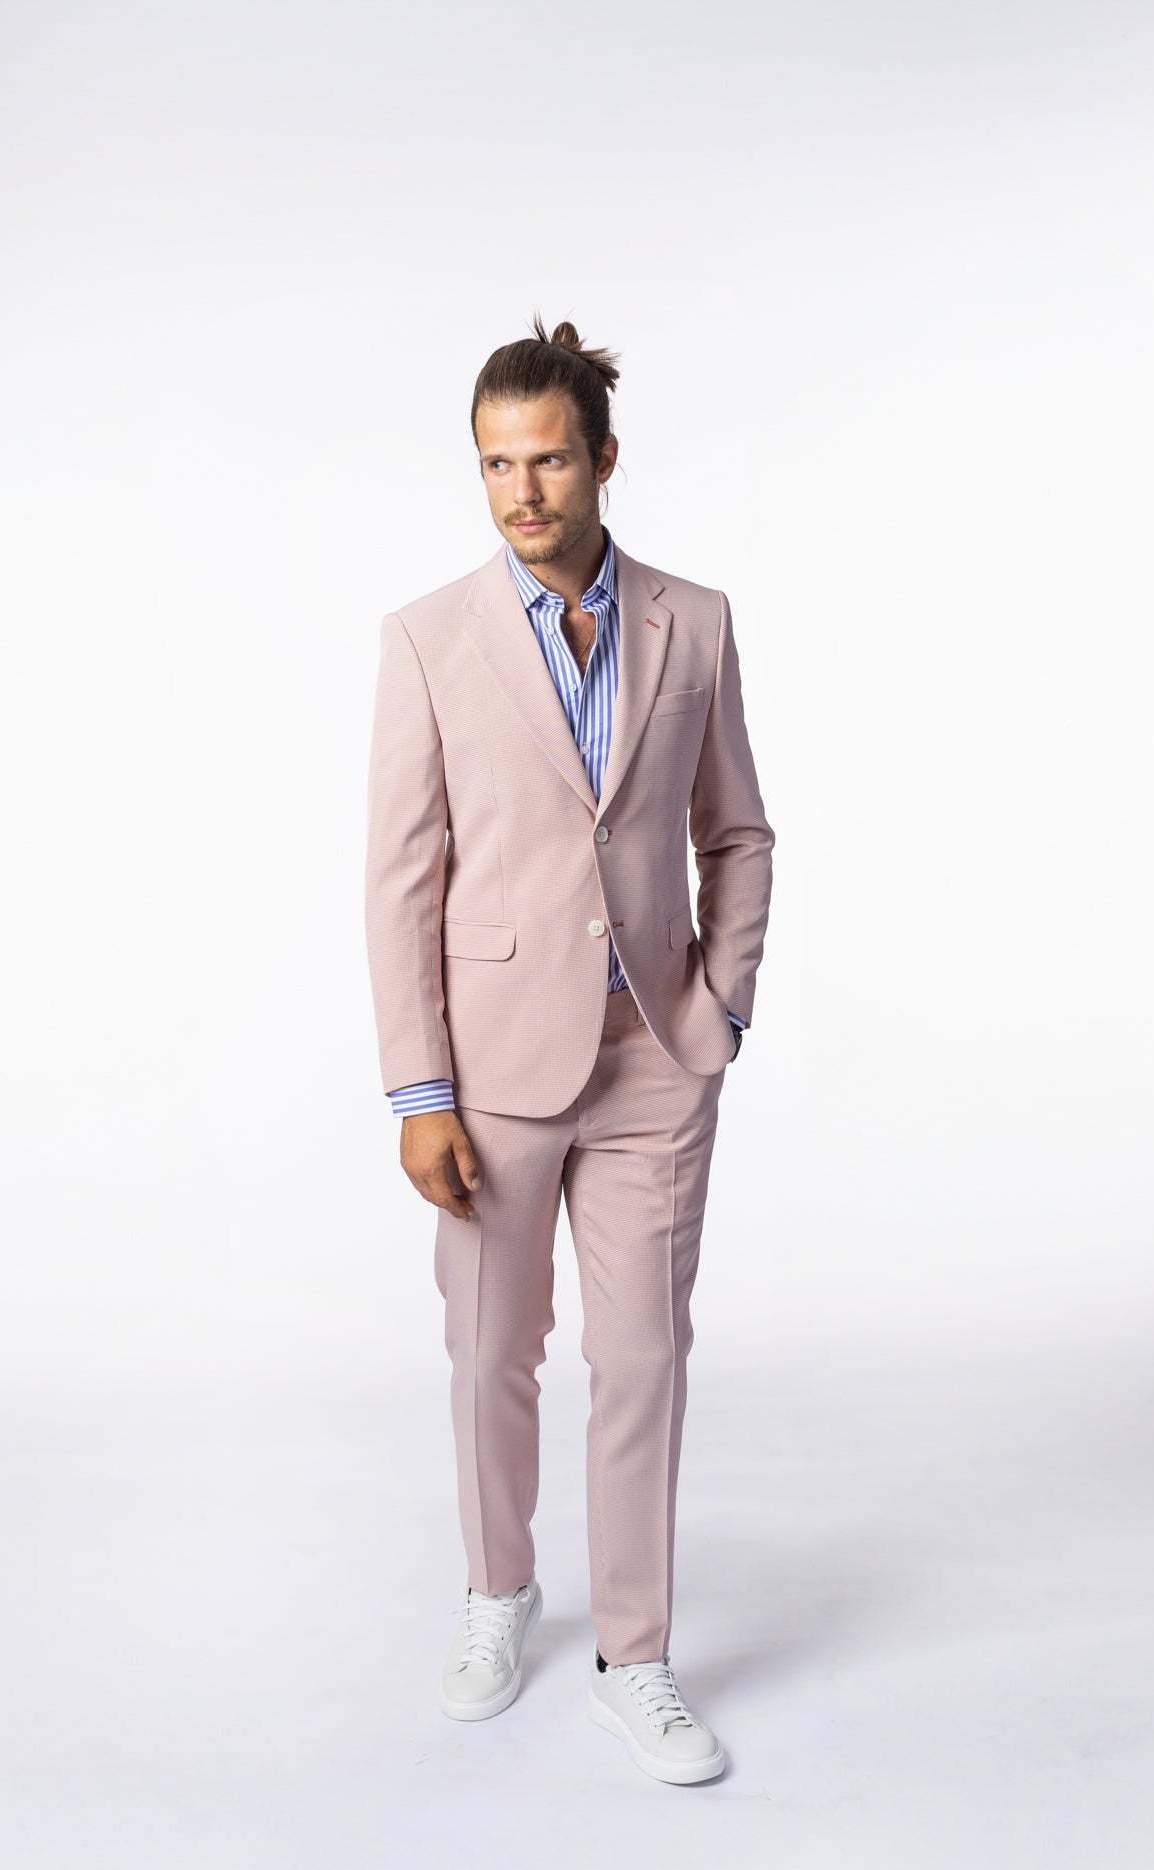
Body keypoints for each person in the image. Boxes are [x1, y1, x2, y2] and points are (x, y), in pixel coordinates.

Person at [363, 313, 775, 1785]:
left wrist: (720, 1007)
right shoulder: (428, 638)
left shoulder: (692, 622)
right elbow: (401, 877)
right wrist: (420, 1091)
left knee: (643, 1355)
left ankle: (635, 1654)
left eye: (545, 460)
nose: (521, 491)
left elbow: (737, 831)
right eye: (495, 465)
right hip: (491, 1070)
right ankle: (499, 1589)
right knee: (490, 1349)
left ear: (603, 458)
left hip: (656, 1053)